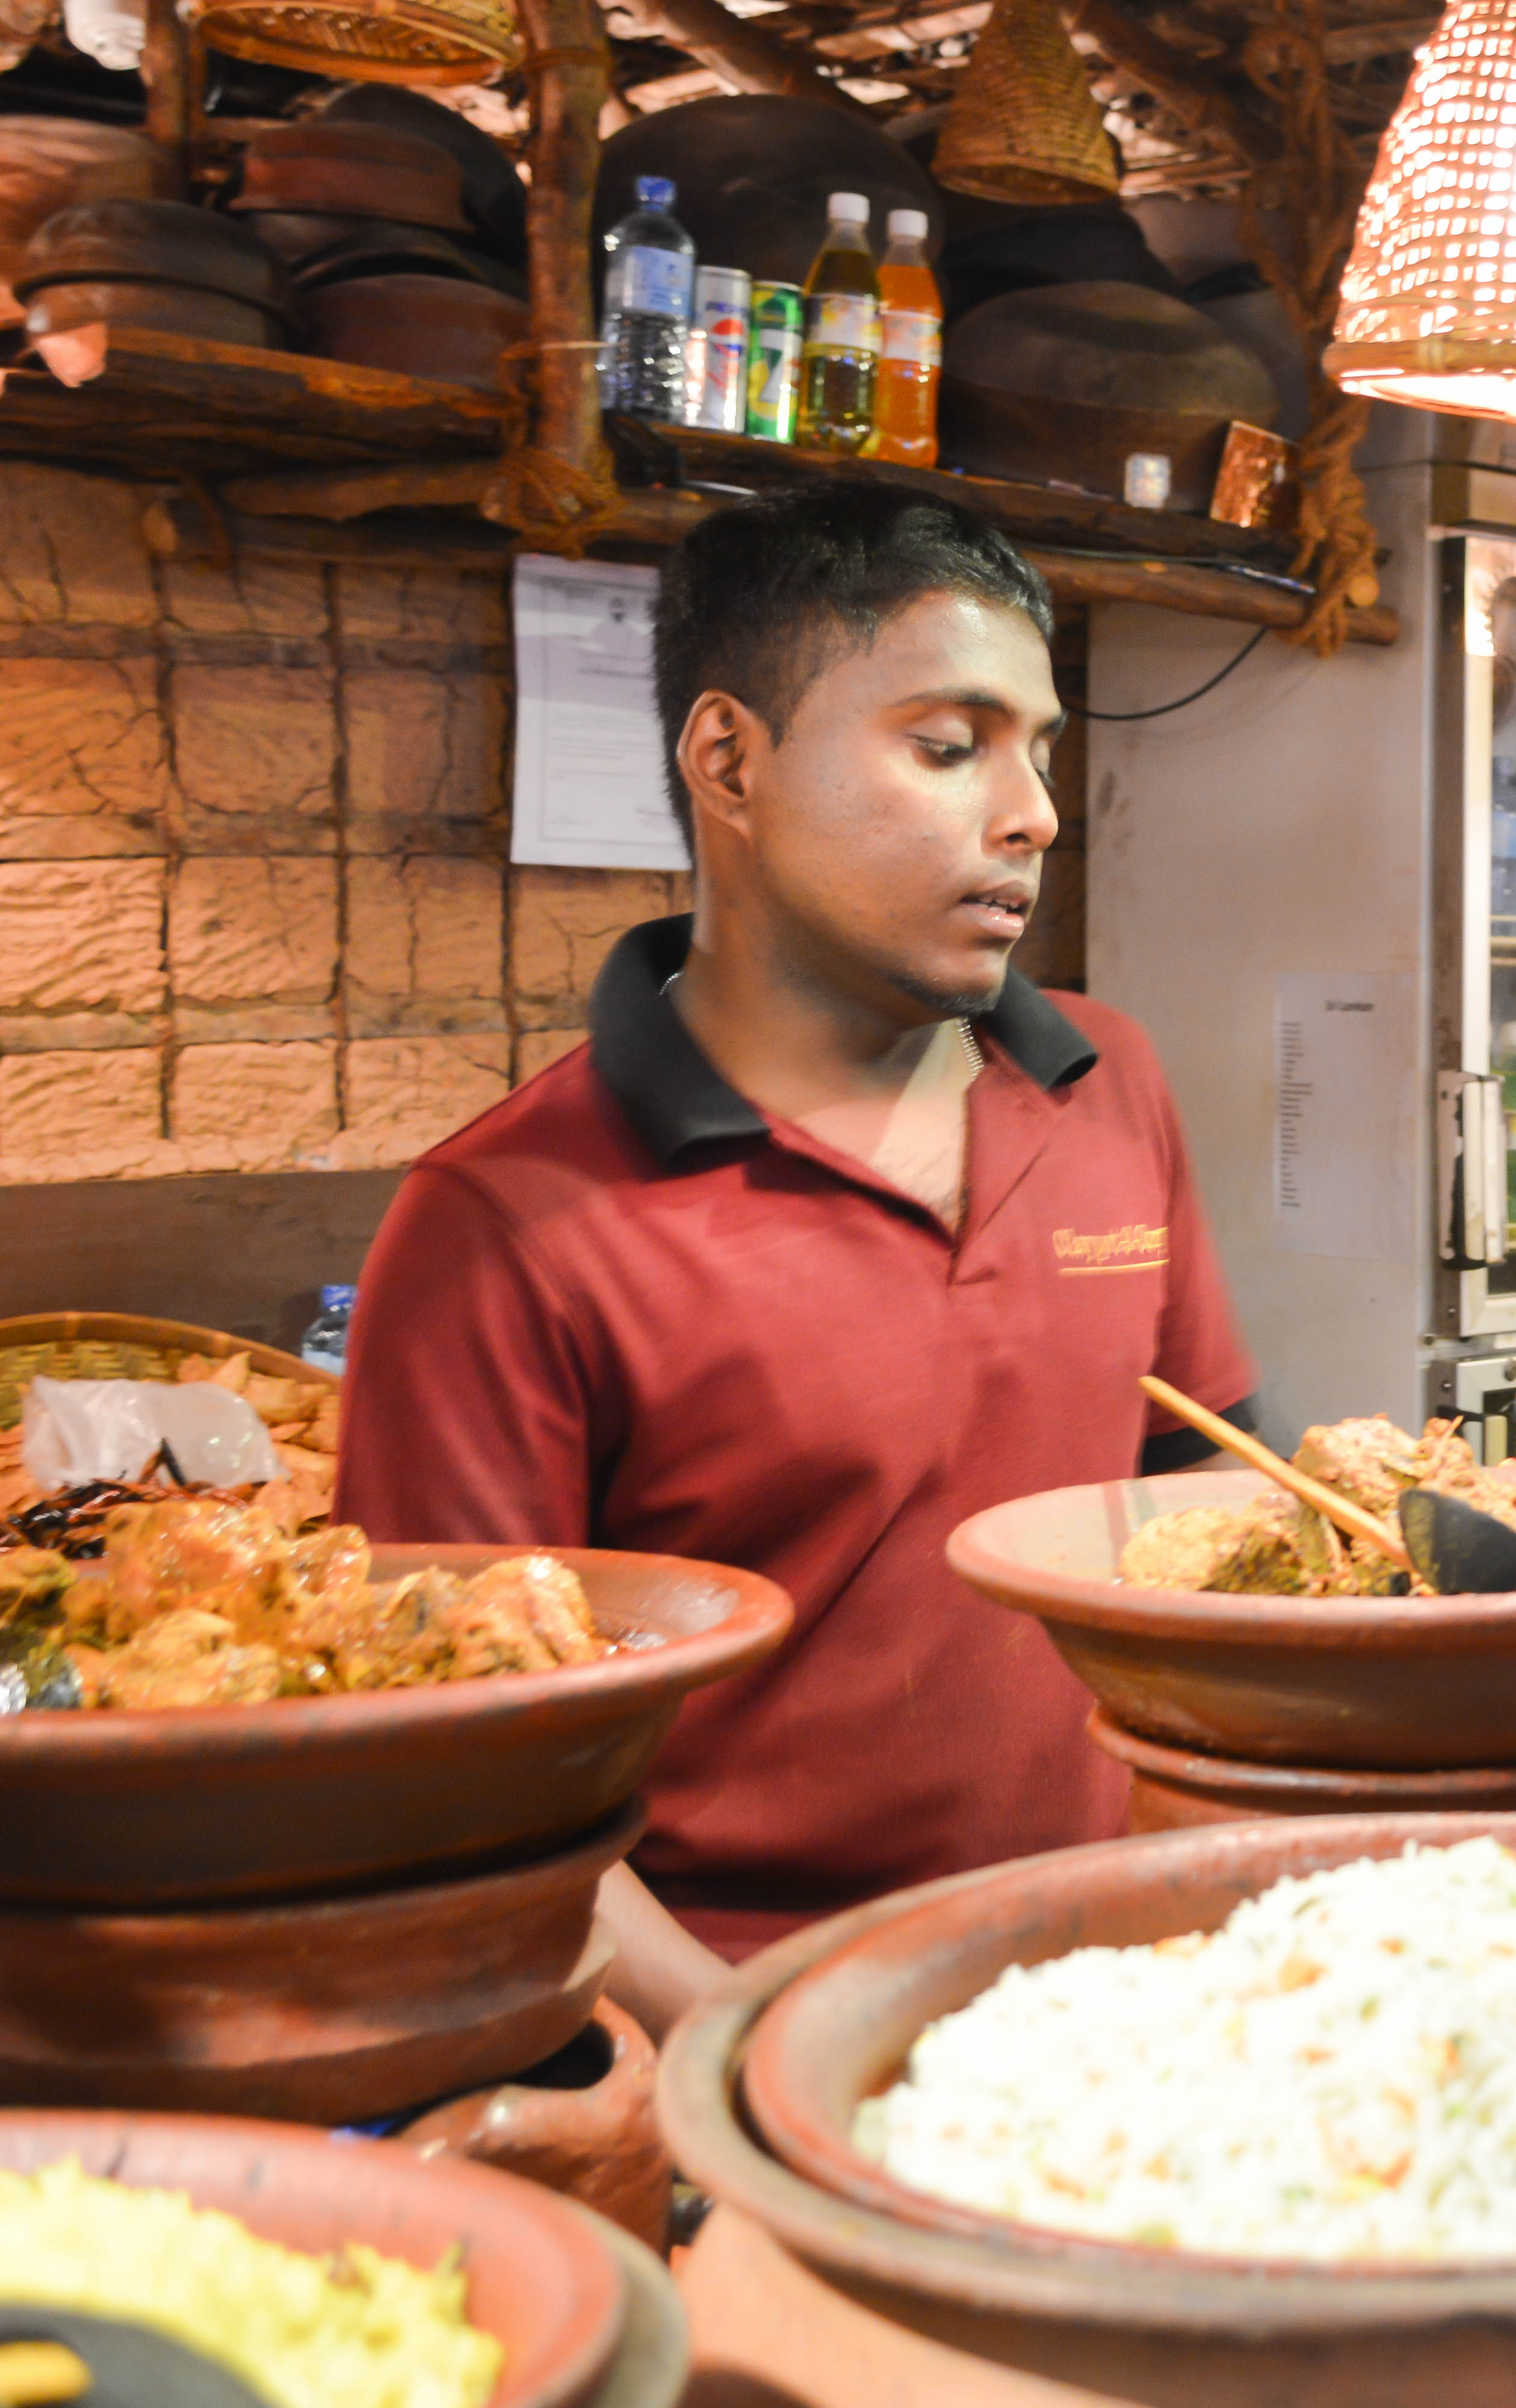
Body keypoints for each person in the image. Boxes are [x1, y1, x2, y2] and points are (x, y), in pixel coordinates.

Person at [338, 486, 1252, 2035]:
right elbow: (452, 1770)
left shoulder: (1107, 1082)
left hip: (1122, 1998)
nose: (1030, 810)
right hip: (743, 2027)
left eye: (1041, 749)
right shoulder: (508, 1222)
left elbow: (1209, 1520)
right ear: (729, 761)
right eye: (950, 746)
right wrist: (760, 2061)